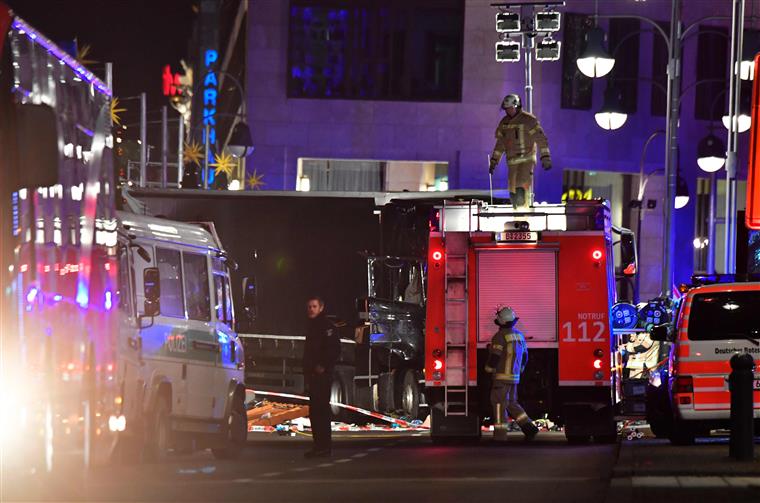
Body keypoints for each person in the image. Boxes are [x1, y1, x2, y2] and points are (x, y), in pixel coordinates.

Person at [489, 94, 552, 209]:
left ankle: (524, 217)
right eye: (506, 109)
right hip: (512, 163)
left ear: (516, 106)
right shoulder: (504, 123)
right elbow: (500, 144)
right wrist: (494, 161)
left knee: (520, 191)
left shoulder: (528, 120)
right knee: (513, 195)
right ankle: (517, 216)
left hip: (526, 160)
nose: (507, 111)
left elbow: (541, 139)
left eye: (509, 108)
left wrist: (545, 157)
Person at [484, 306, 538, 440]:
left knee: (499, 405)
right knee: (512, 403)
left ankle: (500, 436)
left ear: (501, 322)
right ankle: (529, 427)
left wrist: (488, 369)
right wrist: (520, 370)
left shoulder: (500, 336)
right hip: (514, 378)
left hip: (501, 379)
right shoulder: (519, 335)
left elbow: (495, 357)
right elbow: (525, 356)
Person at [302, 296, 340, 458]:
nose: (311, 309)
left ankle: (324, 446)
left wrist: (323, 366)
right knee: (314, 412)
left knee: (321, 412)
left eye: (314, 306)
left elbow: (333, 350)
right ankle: (318, 446)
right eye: (309, 306)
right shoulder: (312, 327)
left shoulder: (327, 327)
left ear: (321, 308)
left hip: (322, 376)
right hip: (312, 376)